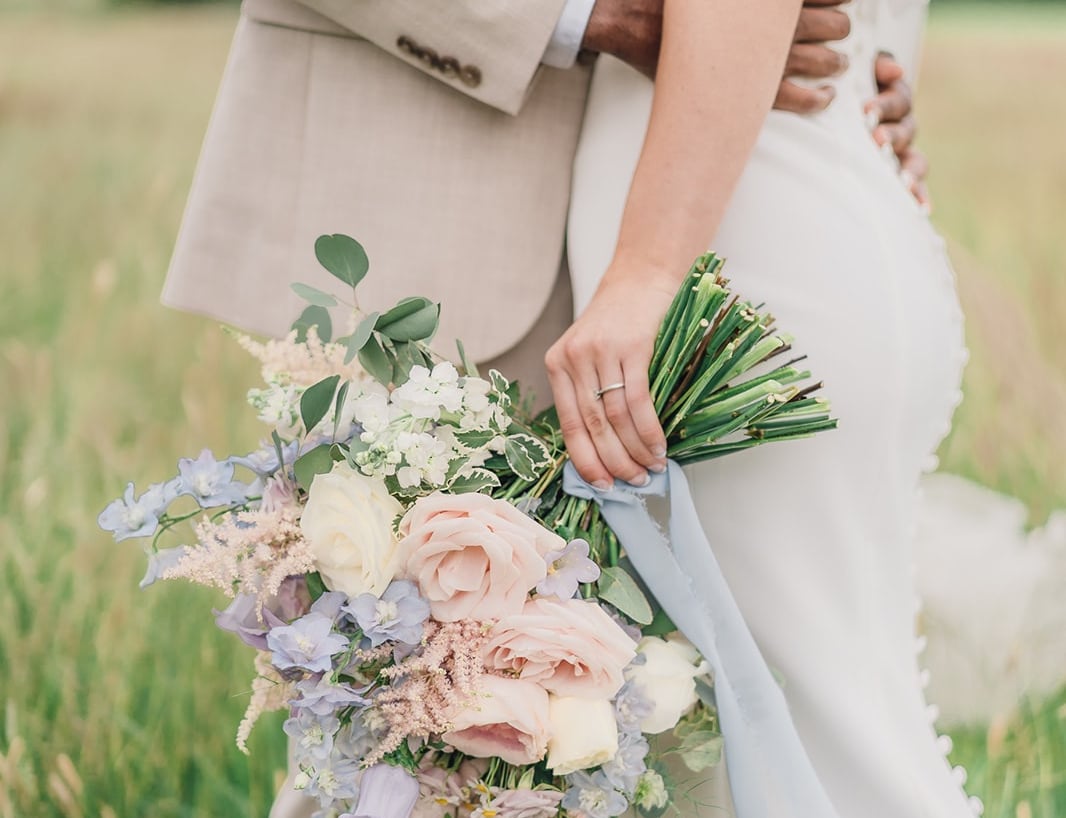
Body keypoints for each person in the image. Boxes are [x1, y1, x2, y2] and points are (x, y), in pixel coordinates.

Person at [160, 1, 946, 816]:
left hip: (713, 232)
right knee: (408, 723)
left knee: (722, 718)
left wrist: (831, 93)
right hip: (449, 187)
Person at [546, 0, 981, 815]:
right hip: (790, 193)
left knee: (814, 744)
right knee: (804, 722)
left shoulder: (673, 268)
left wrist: (646, 270)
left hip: (733, 256)